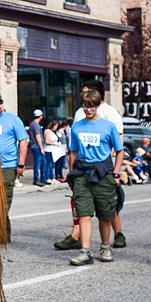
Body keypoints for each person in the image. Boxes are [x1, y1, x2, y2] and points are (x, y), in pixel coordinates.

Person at [54, 79, 127, 250]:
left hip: (103, 168)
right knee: (82, 209)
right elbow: (73, 147)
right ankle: (78, 239)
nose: (87, 107)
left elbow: (118, 144)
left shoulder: (110, 114)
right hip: (82, 170)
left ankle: (117, 234)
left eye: (87, 91)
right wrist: (71, 173)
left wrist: (112, 170)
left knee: (107, 209)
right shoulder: (80, 115)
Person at [0, 92, 27, 241]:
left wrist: (21, 164)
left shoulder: (13, 120)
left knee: (3, 202)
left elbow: (23, 141)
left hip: (7, 167)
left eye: (0, 102)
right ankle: (4, 235)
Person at [29, 109, 48, 186]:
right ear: (40, 116)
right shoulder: (36, 125)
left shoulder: (32, 124)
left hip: (35, 146)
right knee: (38, 163)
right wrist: (41, 148)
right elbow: (38, 136)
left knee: (44, 162)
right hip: (37, 146)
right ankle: (36, 179)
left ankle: (43, 178)